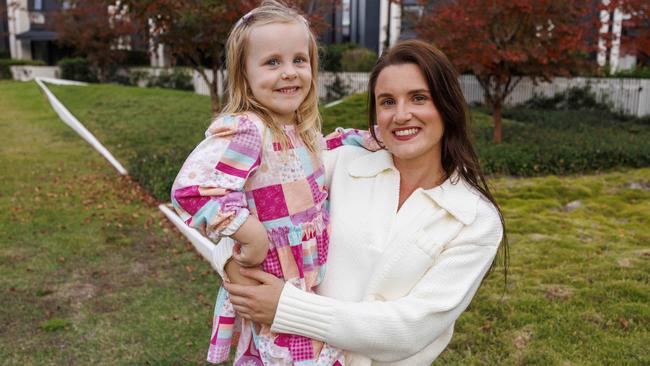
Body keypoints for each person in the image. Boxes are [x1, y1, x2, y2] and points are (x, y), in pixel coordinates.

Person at [222, 39, 508, 365]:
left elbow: (411, 329)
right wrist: (235, 265)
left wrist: (285, 309)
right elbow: (241, 215)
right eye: (387, 101)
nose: (401, 115)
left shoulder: (474, 218)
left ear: (447, 105)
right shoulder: (336, 165)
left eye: (418, 98)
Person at [170, 1, 370, 365]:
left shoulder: (297, 130)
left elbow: (310, 159)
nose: (290, 72)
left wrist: (364, 139)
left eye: (299, 60)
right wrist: (251, 232)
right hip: (275, 278)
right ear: (244, 75)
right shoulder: (249, 130)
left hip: (305, 276)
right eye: (272, 62)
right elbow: (192, 190)